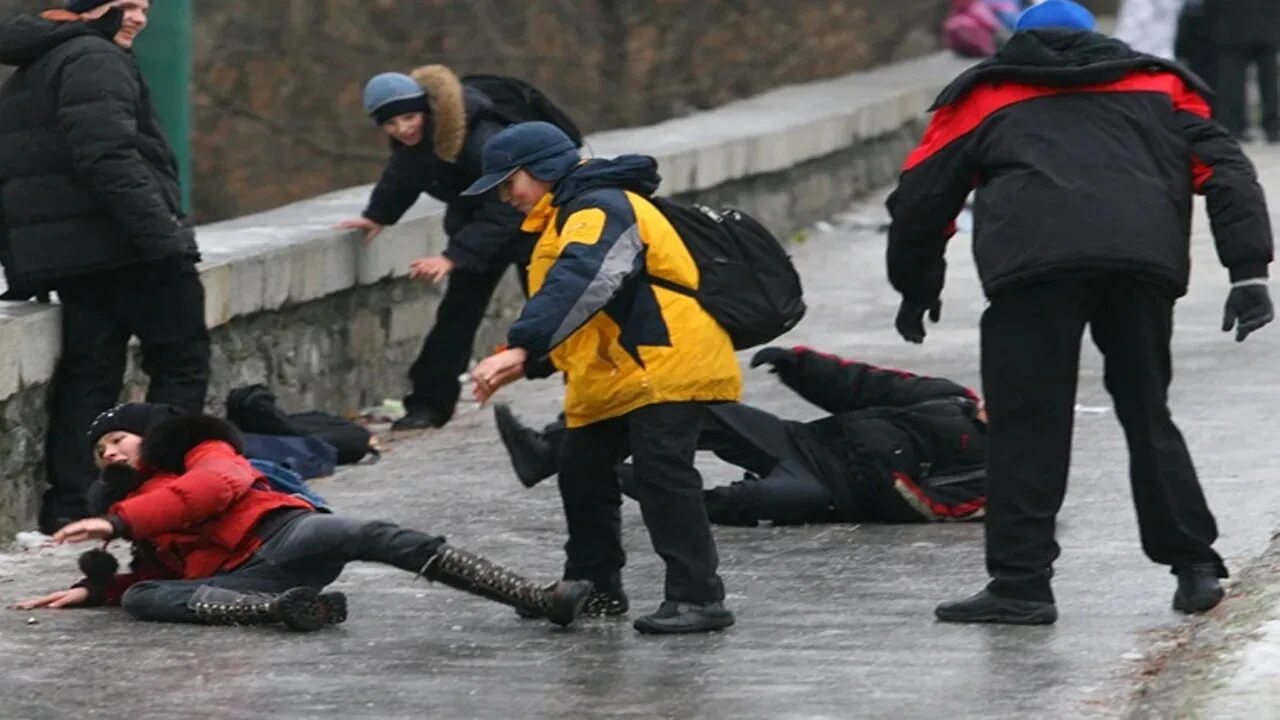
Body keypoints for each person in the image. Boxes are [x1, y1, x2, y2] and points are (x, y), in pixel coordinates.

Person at [886, 0, 1274, 625]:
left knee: (1026, 424)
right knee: (1147, 413)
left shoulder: (985, 95)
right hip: (1138, 268)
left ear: (1020, 40)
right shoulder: (1160, 85)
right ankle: (1195, 566)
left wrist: (916, 284)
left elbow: (921, 196)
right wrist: (1248, 272)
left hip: (1033, 274)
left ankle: (1021, 584)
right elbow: (1227, 171)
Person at [464, 122, 743, 634]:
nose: (506, 197)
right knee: (581, 468)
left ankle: (698, 597)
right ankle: (594, 588)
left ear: (542, 169)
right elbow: (586, 310)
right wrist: (531, 358)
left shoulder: (600, 206)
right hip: (617, 371)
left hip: (665, 360)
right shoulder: (564, 214)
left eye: (510, 183)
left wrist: (524, 348)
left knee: (663, 475)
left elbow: (586, 279)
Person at [11, 403, 593, 630]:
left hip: (285, 533)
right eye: (101, 452)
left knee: (370, 533)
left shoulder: (203, 451)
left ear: (150, 435)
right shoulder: (134, 512)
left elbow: (211, 490)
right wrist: (96, 591)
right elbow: (157, 574)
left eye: (118, 439)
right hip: (244, 581)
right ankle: (288, 611)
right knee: (144, 601)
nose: (110, 454)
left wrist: (117, 524)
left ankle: (534, 596)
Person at [0, 0, 210, 534]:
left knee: (89, 378)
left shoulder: (38, 62)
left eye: (145, 6)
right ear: (91, 10)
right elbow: (108, 154)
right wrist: (163, 238)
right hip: (131, 248)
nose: (139, 17)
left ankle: (71, 504)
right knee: (180, 365)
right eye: (127, 5)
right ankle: (165, 491)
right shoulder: (95, 58)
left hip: (78, 259)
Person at [495, 345, 987, 528]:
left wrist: (891, 483)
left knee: (747, 500)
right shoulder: (950, 398)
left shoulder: (999, 468)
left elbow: (936, 507)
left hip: (835, 492)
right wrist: (801, 365)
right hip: (804, 442)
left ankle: (657, 489)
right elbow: (868, 384)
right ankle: (550, 451)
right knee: (690, 407)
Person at [335, 65, 536, 431]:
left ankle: (594, 400)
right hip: (480, 232)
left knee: (555, 320)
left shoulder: (481, 139)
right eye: (391, 124)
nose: (402, 129)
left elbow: (507, 206)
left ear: (425, 110)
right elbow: (404, 174)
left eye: (409, 118)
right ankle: (429, 405)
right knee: (456, 319)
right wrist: (378, 215)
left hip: (535, 228)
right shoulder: (418, 143)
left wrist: (452, 257)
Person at [1204, 0, 1280, 142]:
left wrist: (1211, 25)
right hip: (1266, 24)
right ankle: (1273, 128)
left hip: (1232, 25)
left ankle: (1232, 128)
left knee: (1231, 84)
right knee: (1269, 81)